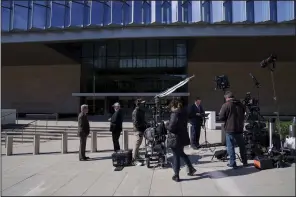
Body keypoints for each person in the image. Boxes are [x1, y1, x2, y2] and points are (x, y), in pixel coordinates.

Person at [167, 98, 197, 182]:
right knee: (181, 153)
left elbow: (171, 127)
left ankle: (176, 175)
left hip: (175, 138)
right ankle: (191, 168)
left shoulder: (175, 114)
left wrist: (166, 125)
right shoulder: (183, 112)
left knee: (176, 156)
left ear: (173, 105)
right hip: (182, 137)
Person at [219, 91, 248, 168]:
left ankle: (233, 163)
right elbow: (244, 114)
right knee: (242, 146)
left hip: (230, 129)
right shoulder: (241, 105)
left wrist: (227, 118)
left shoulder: (226, 105)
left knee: (230, 146)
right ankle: (245, 162)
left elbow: (221, 117)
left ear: (227, 98)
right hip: (239, 128)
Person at [132, 98, 147, 166]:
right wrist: (143, 125)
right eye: (142, 103)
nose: (143, 104)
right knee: (136, 145)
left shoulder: (141, 111)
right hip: (138, 130)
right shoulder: (136, 111)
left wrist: (146, 124)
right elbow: (136, 123)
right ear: (139, 104)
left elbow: (142, 120)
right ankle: (134, 160)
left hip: (141, 129)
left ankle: (137, 156)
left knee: (138, 144)